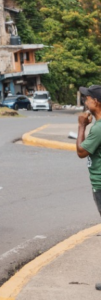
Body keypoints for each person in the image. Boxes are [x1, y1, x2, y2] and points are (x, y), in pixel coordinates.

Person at [75, 84, 101, 289]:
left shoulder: (98, 128)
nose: (85, 101)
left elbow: (81, 152)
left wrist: (81, 126)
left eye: (88, 98)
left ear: (97, 103)